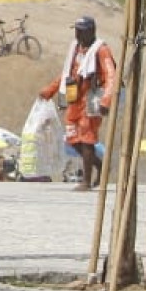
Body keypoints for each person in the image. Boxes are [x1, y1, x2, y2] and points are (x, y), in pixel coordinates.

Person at [39, 14, 118, 192]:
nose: (77, 34)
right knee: (72, 139)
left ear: (90, 31)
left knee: (87, 138)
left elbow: (111, 76)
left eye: (80, 31)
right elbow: (68, 73)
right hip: (75, 99)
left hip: (92, 98)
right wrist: (50, 90)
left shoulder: (101, 50)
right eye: (76, 31)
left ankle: (86, 181)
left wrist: (106, 100)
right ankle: (100, 165)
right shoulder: (75, 49)